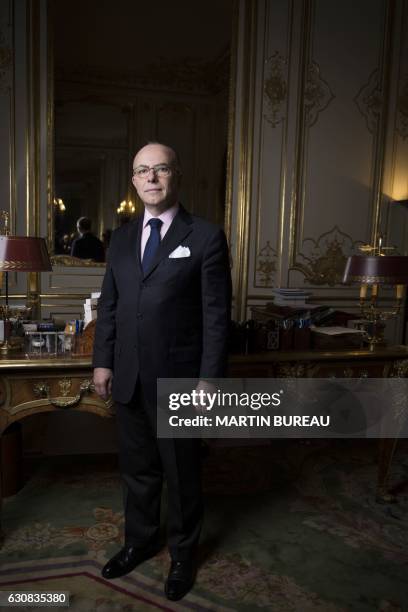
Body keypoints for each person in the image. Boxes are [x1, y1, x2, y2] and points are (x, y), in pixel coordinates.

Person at [92, 142, 231, 601]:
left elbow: (215, 315)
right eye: (142, 171)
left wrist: (209, 380)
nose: (151, 178)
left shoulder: (206, 236)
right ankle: (140, 540)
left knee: (183, 474)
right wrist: (103, 362)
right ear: (133, 181)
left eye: (161, 169)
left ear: (176, 175)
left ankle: (183, 555)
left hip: (180, 380)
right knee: (138, 471)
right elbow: (110, 307)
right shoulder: (122, 237)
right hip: (128, 376)